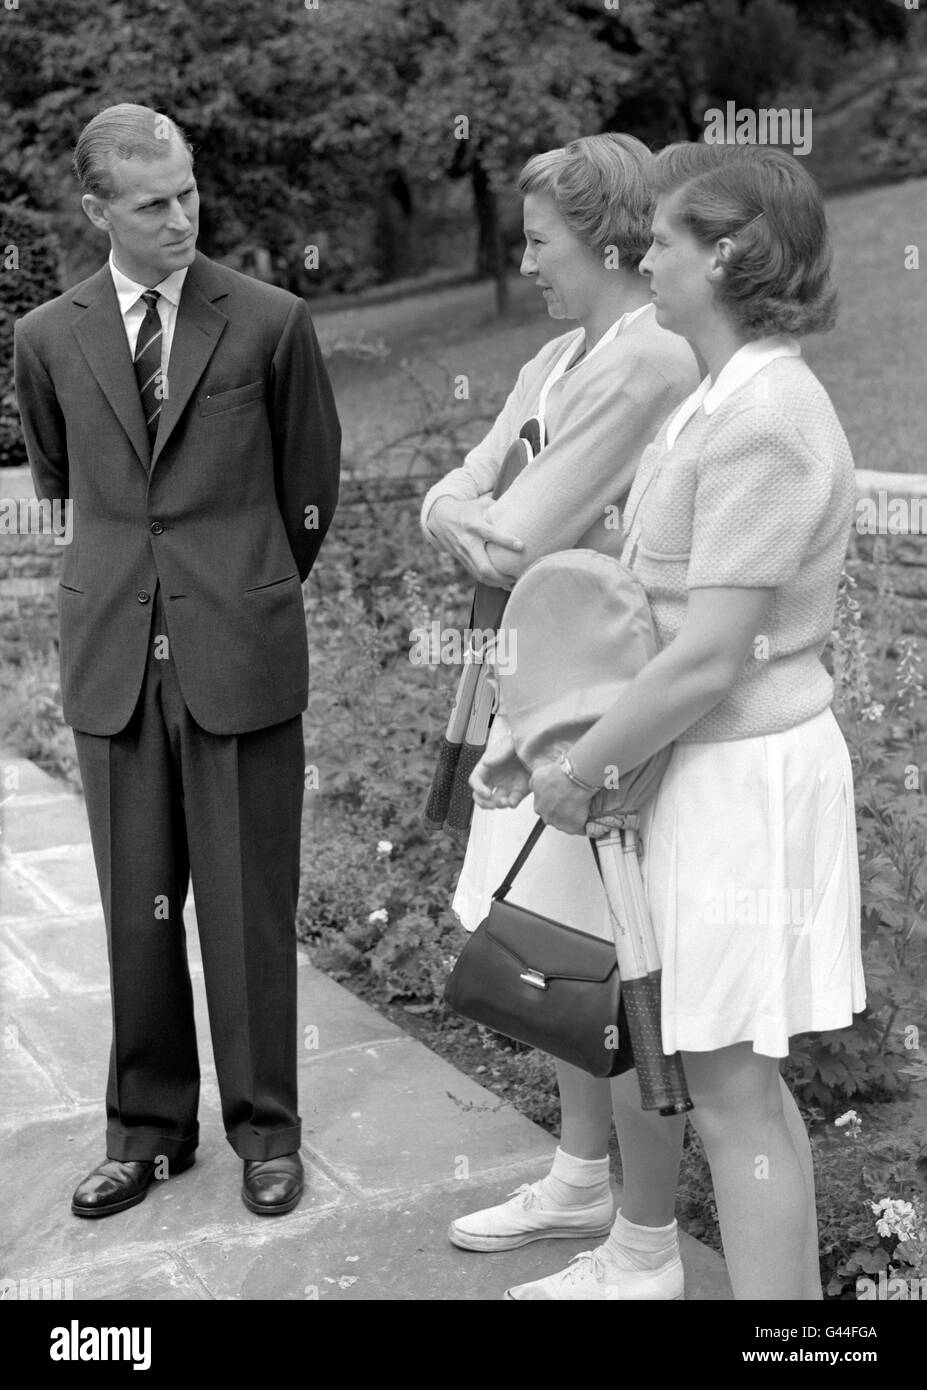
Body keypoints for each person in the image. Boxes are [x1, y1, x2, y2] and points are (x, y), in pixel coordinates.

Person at [473, 140, 865, 1300]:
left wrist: (579, 767)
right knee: (721, 1073)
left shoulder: (767, 417)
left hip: (743, 777)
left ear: (729, 255)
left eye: (667, 239)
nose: (644, 254)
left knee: (735, 1085)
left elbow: (709, 652)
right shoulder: (716, 397)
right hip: (704, 772)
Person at [14, 104, 340, 1218]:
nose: (181, 217)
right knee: (133, 906)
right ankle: (149, 1132)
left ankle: (267, 1131)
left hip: (237, 647)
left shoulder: (269, 320)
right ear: (97, 208)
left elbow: (309, 495)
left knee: (248, 907)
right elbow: (66, 482)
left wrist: (236, 587)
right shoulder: (46, 336)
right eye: (153, 204)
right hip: (113, 652)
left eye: (189, 191)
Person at [420, 135, 699, 1282]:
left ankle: (645, 1246)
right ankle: (581, 1181)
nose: (523, 259)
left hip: (598, 712)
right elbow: (459, 495)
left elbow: (520, 529)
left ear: (607, 239)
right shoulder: (547, 362)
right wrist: (462, 516)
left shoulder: (648, 362)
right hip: (526, 690)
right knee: (554, 948)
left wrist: (485, 523)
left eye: (538, 239)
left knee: (614, 969)